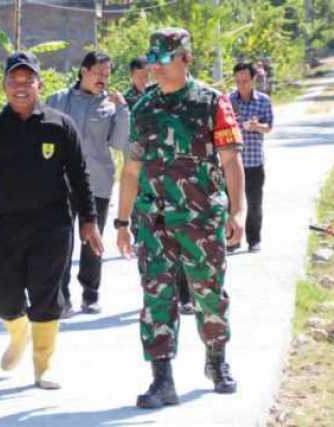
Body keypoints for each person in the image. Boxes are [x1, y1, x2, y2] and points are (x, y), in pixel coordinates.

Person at [116, 28, 245, 409]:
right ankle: (161, 379)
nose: (155, 66)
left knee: (208, 292)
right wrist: (122, 223)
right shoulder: (142, 108)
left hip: (202, 219)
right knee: (157, 296)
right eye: (152, 59)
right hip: (153, 222)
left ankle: (217, 362)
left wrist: (238, 210)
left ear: (185, 59)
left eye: (163, 59)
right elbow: (131, 170)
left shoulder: (211, 102)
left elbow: (231, 161)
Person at [0, 52, 103, 390]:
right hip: (8, 225)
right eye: (14, 81)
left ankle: (43, 365)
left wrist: (89, 220)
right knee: (2, 297)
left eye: (28, 81)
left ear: (39, 84)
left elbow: (80, 176)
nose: (21, 87)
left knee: (46, 294)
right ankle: (18, 331)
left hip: (52, 224)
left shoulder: (59, 125)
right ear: (4, 85)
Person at [47, 51, 130, 317]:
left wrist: (124, 110)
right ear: (84, 71)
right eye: (98, 74)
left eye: (107, 75)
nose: (103, 80)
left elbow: (119, 143)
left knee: (92, 240)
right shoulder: (58, 100)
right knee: (61, 241)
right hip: (62, 183)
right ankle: (62, 299)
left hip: (98, 183)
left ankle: (90, 295)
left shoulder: (111, 105)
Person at [124, 57, 193, 314]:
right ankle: (156, 295)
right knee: (149, 249)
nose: (147, 77)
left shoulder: (179, 100)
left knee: (184, 247)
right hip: (145, 192)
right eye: (142, 74)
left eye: (148, 72)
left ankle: (184, 296)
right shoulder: (135, 104)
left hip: (180, 192)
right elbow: (130, 162)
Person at [230, 62, 274, 252]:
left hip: (254, 162)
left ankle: (254, 239)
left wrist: (257, 126)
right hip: (232, 163)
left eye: (246, 81)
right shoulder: (228, 101)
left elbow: (269, 127)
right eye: (238, 81)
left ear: (254, 79)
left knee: (254, 204)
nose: (242, 85)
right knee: (231, 204)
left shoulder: (263, 101)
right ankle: (231, 240)